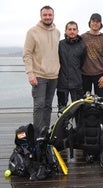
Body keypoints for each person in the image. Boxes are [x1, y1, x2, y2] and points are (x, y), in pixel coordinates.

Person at [23, 5, 60, 138]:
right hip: (39, 75)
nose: (47, 17)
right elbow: (27, 54)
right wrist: (30, 73)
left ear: (53, 16)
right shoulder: (32, 32)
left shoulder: (57, 32)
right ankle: (38, 136)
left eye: (50, 15)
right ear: (41, 16)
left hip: (54, 76)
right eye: (45, 15)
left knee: (48, 106)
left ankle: (45, 133)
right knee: (39, 106)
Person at [57, 21, 87, 112]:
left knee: (78, 109)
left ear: (78, 31)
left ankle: (78, 126)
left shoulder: (82, 45)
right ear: (65, 31)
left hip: (77, 83)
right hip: (62, 83)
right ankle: (64, 126)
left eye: (74, 29)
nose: (72, 31)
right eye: (69, 29)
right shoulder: (60, 45)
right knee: (62, 110)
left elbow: (82, 62)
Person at [81, 13, 103, 98]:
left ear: (100, 24)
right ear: (90, 22)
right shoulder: (82, 37)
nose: (95, 23)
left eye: (98, 21)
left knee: (100, 101)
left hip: (99, 75)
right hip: (84, 75)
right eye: (93, 21)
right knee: (85, 101)